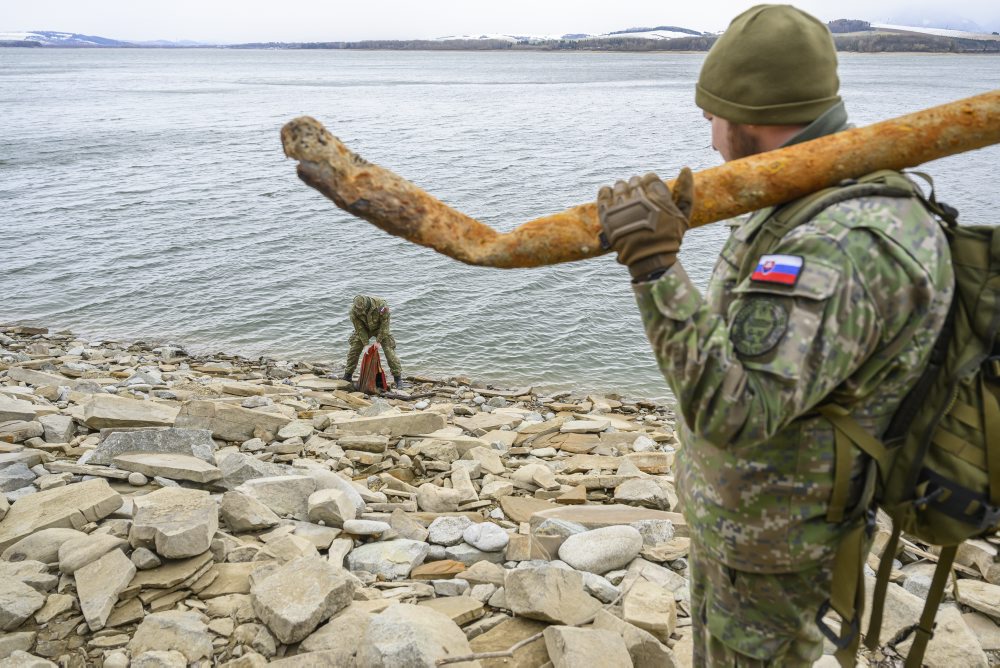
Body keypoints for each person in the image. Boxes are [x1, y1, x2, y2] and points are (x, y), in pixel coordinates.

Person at [597, 5, 954, 667]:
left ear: (749, 117)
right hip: (753, 536)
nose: (708, 139)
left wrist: (654, 266)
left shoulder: (839, 241)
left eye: (711, 117)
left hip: (778, 550)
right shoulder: (809, 196)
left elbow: (738, 410)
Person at [342, 295, 403, 388]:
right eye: (358, 310)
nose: (360, 312)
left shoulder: (381, 305)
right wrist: (366, 344)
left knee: (389, 352)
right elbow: (359, 328)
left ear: (367, 305)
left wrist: (378, 341)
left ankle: (398, 378)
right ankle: (347, 375)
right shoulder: (353, 311)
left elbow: (385, 325)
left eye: (362, 309)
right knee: (354, 350)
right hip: (365, 329)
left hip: (380, 329)